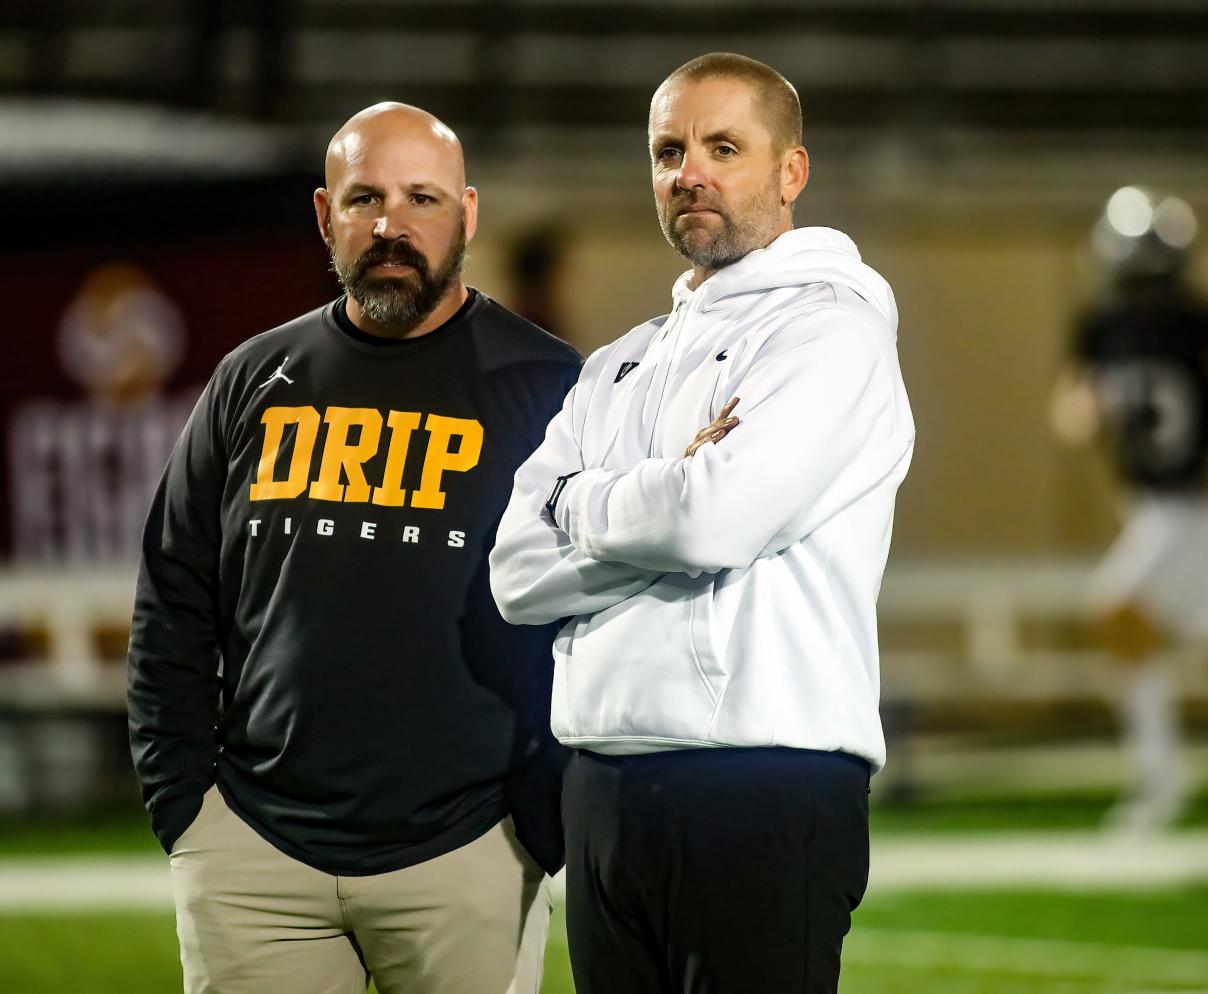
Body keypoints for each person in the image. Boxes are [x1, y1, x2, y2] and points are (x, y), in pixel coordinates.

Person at [127, 102, 581, 994]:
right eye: (365, 196)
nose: (391, 225)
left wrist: (540, 815)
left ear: (469, 214)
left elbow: (603, 605)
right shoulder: (251, 378)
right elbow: (174, 596)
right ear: (324, 213)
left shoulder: (552, 386)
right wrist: (186, 805)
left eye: (423, 198)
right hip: (255, 858)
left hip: (470, 854)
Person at [490, 53, 915, 994]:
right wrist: (661, 491)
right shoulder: (620, 363)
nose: (692, 173)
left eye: (725, 147)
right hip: (599, 779)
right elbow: (515, 571)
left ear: (790, 172)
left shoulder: (831, 331)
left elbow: (711, 524)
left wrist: (587, 501)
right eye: (669, 150)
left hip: (761, 780)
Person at [1050, 186, 1208, 832]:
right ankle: (1162, 776)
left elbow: (1073, 415)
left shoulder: (1120, 327)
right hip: (1165, 503)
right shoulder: (1184, 320)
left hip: (1193, 500)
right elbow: (1077, 411)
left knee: (1116, 609)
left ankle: (1161, 777)